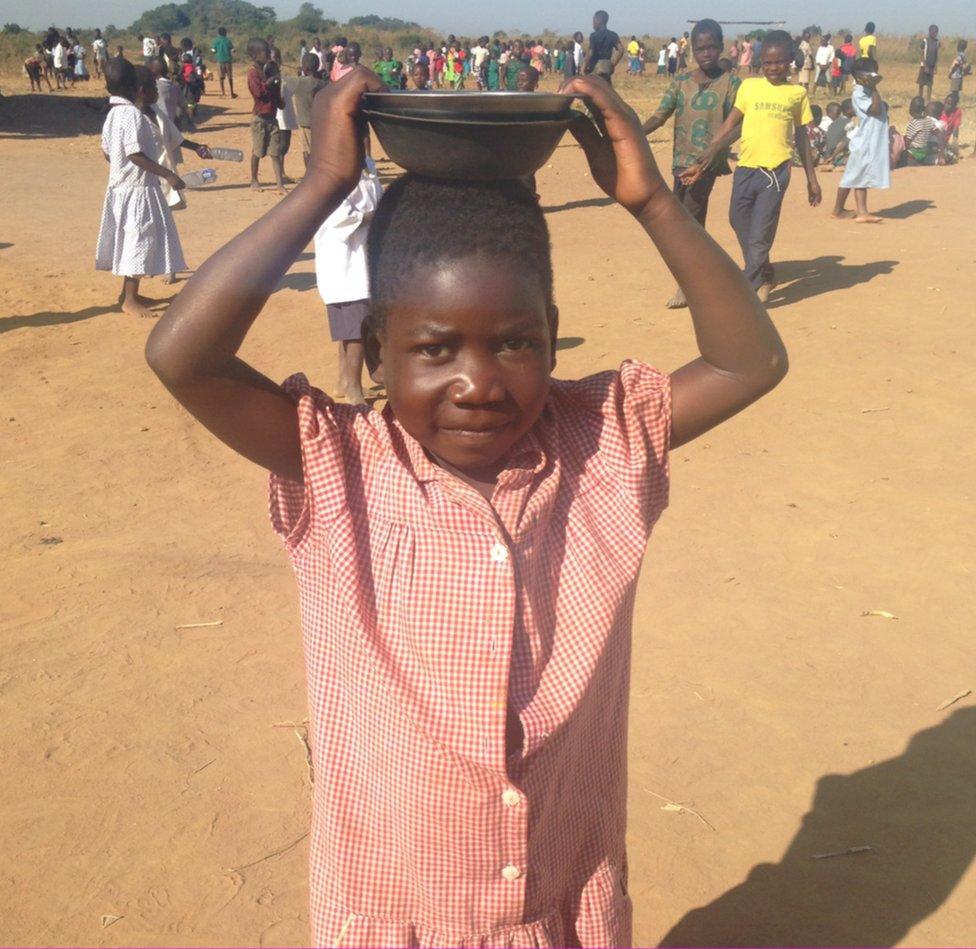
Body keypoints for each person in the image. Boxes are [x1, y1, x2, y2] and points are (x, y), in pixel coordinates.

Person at [144, 66, 788, 949]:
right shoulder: (339, 465)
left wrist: (651, 201)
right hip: (396, 906)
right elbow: (185, 358)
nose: (479, 383)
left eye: (518, 342)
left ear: (555, 333)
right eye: (435, 348)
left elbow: (749, 362)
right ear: (375, 351)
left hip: (558, 900)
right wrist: (321, 187)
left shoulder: (601, 440)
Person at [681, 30, 822, 302]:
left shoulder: (796, 94)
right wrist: (704, 158)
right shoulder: (749, 87)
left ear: (790, 61)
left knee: (760, 235)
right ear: (760, 62)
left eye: (779, 62)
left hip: (775, 173)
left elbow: (802, 137)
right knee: (737, 220)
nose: (773, 68)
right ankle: (765, 273)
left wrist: (811, 179)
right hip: (746, 168)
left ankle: (743, 290)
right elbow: (731, 123)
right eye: (768, 63)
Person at [641, 19, 740, 307]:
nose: (706, 53)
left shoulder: (732, 84)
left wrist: (716, 149)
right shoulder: (681, 82)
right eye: (700, 48)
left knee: (689, 222)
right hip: (680, 163)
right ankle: (704, 276)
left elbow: (740, 123)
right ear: (692, 50)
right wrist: (634, 132)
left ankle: (692, 285)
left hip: (706, 163)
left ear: (722, 47)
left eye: (711, 47)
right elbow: (660, 116)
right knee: (681, 222)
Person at [96, 56, 185, 318]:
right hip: (137, 191)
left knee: (132, 240)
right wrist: (167, 174)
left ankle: (129, 293)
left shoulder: (112, 114)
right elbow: (135, 154)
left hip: (123, 188)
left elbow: (108, 152)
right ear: (134, 86)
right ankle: (130, 300)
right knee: (138, 240)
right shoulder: (132, 115)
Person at [313, 152, 383, 406]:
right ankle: (354, 387)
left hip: (361, 258)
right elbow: (339, 217)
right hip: (344, 261)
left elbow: (378, 197)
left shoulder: (368, 165)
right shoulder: (334, 170)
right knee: (356, 328)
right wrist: (378, 216)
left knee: (350, 326)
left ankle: (343, 380)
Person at [134, 65, 211, 282]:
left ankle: (169, 267)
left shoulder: (156, 112)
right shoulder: (134, 118)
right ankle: (147, 265)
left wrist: (196, 147)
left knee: (165, 224)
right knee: (146, 226)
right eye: (152, 87)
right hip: (146, 180)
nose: (157, 90)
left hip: (166, 176)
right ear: (141, 90)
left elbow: (175, 137)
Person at [831, 58, 888, 223]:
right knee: (854, 176)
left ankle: (852, 210)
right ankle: (846, 210)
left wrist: (872, 87)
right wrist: (874, 87)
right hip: (865, 141)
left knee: (857, 176)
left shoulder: (867, 91)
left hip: (871, 140)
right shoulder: (860, 93)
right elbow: (875, 110)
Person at [247, 38, 286, 193]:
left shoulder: (268, 69)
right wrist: (270, 82)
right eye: (265, 53)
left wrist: (279, 101)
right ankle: (254, 180)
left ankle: (279, 184)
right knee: (258, 151)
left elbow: (275, 91)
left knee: (275, 152)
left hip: (272, 117)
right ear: (256, 55)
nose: (268, 56)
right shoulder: (253, 73)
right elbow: (258, 93)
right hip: (259, 119)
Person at [294, 54, 326, 167]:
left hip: (304, 122)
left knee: (307, 151)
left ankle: (309, 175)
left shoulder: (298, 82)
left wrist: (300, 74)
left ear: (304, 68)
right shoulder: (321, 83)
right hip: (320, 123)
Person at [272, 61, 298, 181]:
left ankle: (282, 172)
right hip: (280, 118)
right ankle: (281, 173)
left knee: (285, 146)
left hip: (286, 117)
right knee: (282, 146)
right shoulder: (275, 82)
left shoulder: (284, 80)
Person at [585, 9, 624, 82]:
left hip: (594, 71)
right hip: (606, 72)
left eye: (594, 21)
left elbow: (590, 53)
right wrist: (612, 64)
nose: (592, 24)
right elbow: (621, 50)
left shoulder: (593, 35)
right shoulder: (613, 35)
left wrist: (583, 68)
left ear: (599, 21)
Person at [904, 95, 943, 165]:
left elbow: (907, 142)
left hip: (914, 153)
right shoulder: (928, 121)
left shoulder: (913, 123)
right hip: (924, 152)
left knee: (903, 153)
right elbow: (936, 131)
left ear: (911, 110)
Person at [211, 26, 236, 98]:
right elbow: (232, 49)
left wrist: (215, 52)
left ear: (218, 33)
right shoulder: (228, 40)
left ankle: (223, 93)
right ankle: (232, 93)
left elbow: (213, 50)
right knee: (230, 77)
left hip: (220, 60)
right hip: (228, 60)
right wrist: (233, 51)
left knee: (221, 77)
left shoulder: (215, 41)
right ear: (225, 33)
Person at [917, 24, 939, 101]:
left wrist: (935, 66)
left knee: (930, 84)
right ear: (930, 32)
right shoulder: (925, 41)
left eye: (936, 32)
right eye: (934, 32)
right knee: (921, 83)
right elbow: (922, 54)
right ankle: (920, 99)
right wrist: (925, 65)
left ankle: (928, 100)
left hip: (932, 66)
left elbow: (936, 55)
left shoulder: (937, 42)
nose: (935, 33)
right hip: (924, 66)